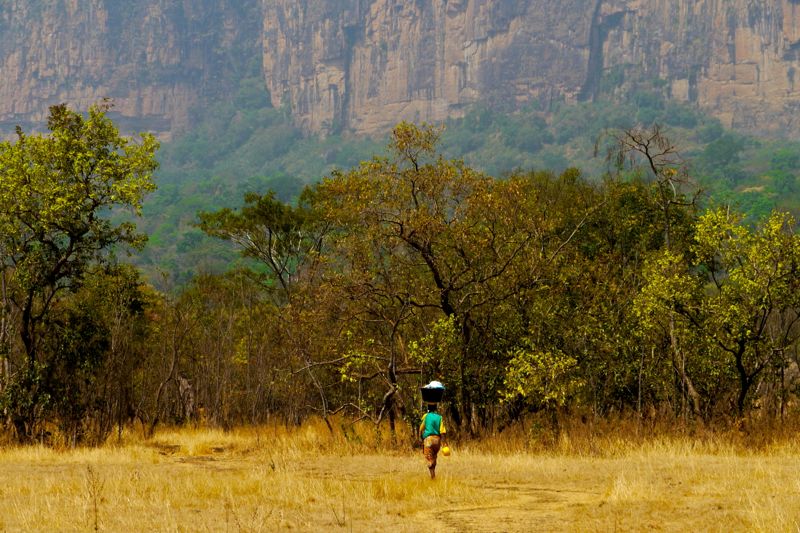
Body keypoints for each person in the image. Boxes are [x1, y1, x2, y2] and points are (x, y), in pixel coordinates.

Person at [419, 403, 447, 479]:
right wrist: (444, 443)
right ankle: (433, 476)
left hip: (429, 440)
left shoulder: (426, 416)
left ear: (428, 409)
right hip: (437, 440)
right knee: (434, 457)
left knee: (429, 459)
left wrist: (420, 439)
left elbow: (421, 428)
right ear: (435, 409)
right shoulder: (439, 417)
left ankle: (432, 477)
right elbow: (442, 431)